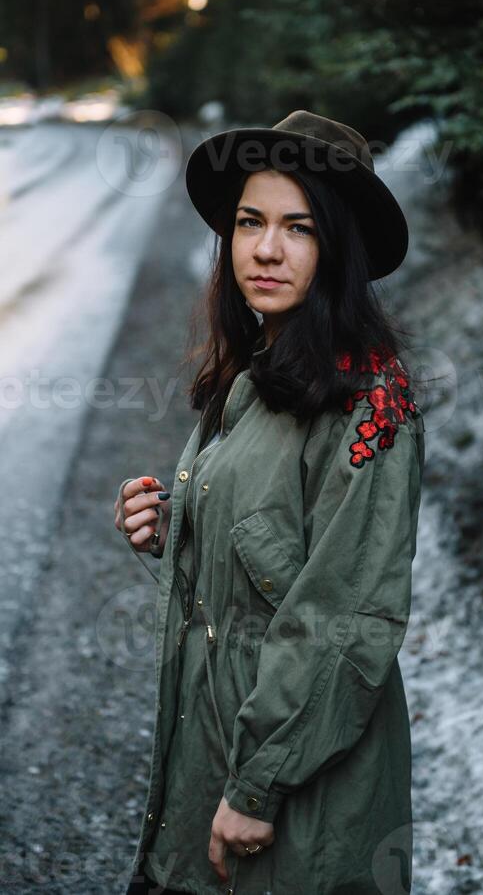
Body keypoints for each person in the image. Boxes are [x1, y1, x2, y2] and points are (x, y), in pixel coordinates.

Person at [115, 110, 425, 895]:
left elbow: (348, 617)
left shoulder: (367, 399)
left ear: (338, 248)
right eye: (250, 221)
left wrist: (257, 787)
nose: (266, 249)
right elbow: (262, 564)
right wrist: (172, 527)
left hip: (299, 787)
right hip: (216, 757)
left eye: (299, 228)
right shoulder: (258, 365)